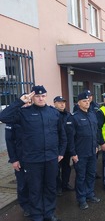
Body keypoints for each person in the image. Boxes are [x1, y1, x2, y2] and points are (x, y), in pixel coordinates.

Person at [0, 85, 66, 221]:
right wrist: (20, 101)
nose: (40, 98)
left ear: (46, 96)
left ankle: (49, 213)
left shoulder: (53, 113)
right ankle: (37, 215)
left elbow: (62, 134)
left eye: (43, 96)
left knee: (50, 187)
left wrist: (61, 152)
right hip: (32, 160)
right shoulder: (24, 113)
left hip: (51, 158)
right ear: (32, 97)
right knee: (35, 189)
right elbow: (3, 116)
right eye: (37, 96)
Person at [66, 92, 100, 210]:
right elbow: (70, 138)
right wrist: (73, 154)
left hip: (92, 151)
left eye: (88, 101)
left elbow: (95, 132)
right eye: (84, 101)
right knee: (81, 176)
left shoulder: (92, 115)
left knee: (91, 174)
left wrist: (96, 145)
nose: (87, 103)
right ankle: (81, 199)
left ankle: (90, 194)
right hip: (80, 153)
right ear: (78, 103)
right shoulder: (74, 117)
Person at [4, 95, 31, 217]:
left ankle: (36, 204)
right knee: (23, 184)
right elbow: (9, 141)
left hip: (34, 157)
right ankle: (26, 206)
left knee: (35, 183)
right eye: (25, 103)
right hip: (20, 158)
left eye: (29, 103)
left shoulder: (33, 116)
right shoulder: (14, 118)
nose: (27, 105)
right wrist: (14, 159)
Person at [53, 96, 74, 196]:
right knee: (56, 169)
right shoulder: (52, 115)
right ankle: (58, 187)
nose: (62, 104)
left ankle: (65, 184)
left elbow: (72, 131)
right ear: (55, 103)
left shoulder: (69, 115)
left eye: (63, 102)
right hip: (56, 147)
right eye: (60, 102)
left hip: (67, 147)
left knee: (66, 167)